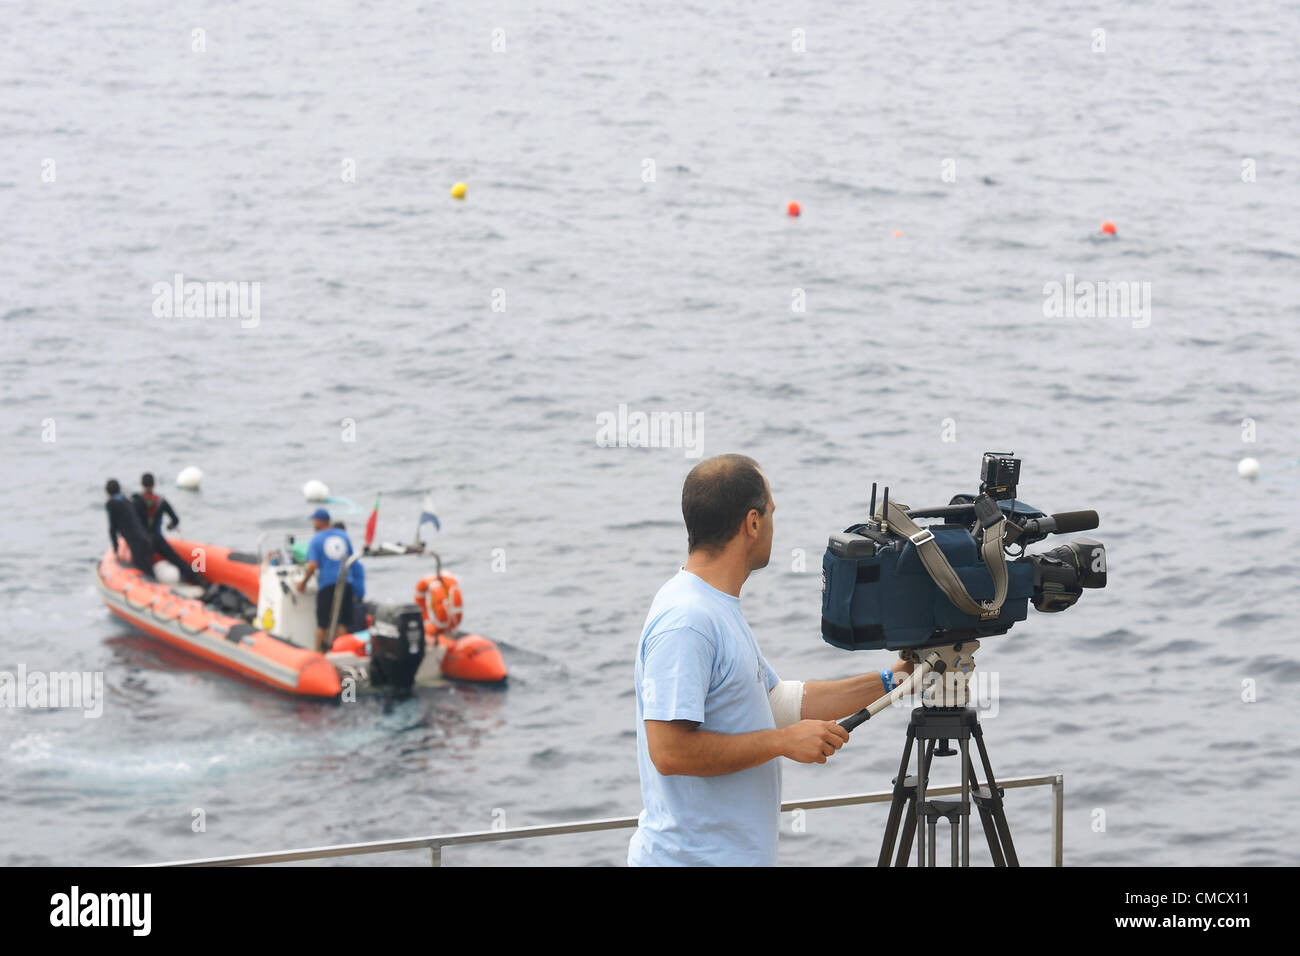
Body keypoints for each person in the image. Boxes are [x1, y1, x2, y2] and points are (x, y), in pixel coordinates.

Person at [628, 454, 914, 867]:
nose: (774, 526)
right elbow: (670, 752)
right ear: (753, 523)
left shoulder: (713, 606)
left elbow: (776, 704)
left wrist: (895, 679)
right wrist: (783, 743)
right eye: (772, 513)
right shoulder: (687, 620)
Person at [297, 508, 356, 651]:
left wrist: (303, 583)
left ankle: (318, 654)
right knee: (342, 621)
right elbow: (351, 557)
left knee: (322, 623)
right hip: (346, 582)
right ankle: (341, 652)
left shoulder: (316, 539)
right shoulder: (344, 536)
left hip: (327, 584)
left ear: (319, 521)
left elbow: (313, 565)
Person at [132, 472, 202, 584]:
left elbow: (132, 523)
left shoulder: (135, 501)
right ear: (154, 485)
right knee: (178, 561)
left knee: (146, 570)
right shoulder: (161, 501)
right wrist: (170, 527)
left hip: (144, 542)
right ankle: (201, 582)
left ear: (141, 484)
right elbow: (175, 520)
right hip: (158, 539)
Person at [104, 479, 155, 575]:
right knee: (150, 572)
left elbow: (112, 529)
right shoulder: (126, 500)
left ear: (107, 492)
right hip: (145, 539)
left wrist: (116, 549)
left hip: (137, 543)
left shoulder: (111, 504)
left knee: (144, 574)